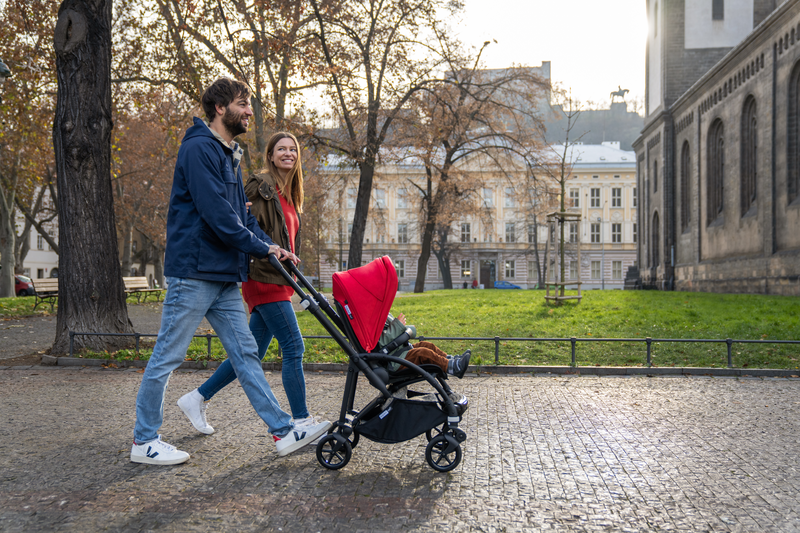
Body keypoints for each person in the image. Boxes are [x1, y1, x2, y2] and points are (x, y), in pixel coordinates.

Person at [130, 78, 330, 466]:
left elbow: (242, 216)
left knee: (247, 354)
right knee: (167, 357)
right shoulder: (199, 150)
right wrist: (258, 245)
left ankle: (283, 430)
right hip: (194, 272)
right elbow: (218, 216)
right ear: (221, 108)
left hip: (224, 275)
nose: (250, 112)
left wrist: (273, 248)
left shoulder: (228, 154)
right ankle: (144, 439)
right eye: (243, 104)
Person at [177, 132, 324, 437]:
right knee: (294, 346)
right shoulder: (261, 186)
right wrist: (270, 253)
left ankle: (197, 397)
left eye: (292, 149)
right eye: (281, 149)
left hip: (280, 277)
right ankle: (301, 421)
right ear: (270, 155)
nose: (288, 154)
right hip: (264, 276)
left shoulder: (288, 192)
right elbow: (245, 225)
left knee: (250, 352)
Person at [381, 313, 471, 378]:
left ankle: (452, 360)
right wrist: (399, 326)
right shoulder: (370, 323)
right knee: (422, 353)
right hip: (393, 361)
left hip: (398, 351)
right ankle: (454, 368)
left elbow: (391, 331)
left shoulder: (381, 313)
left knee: (427, 345)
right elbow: (383, 341)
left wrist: (401, 327)